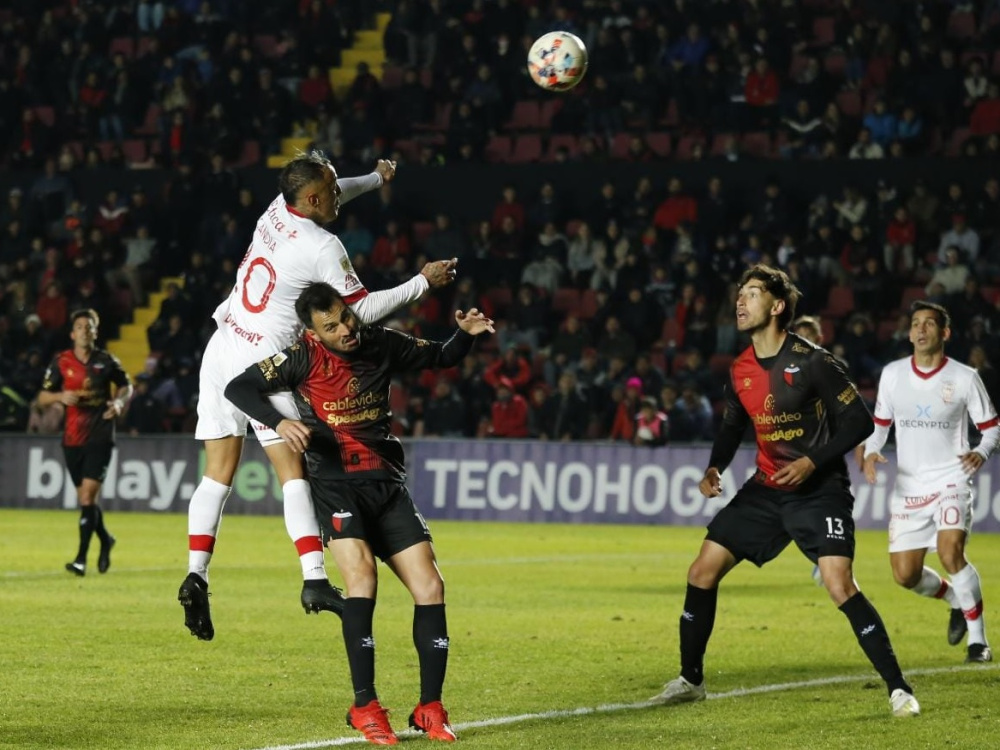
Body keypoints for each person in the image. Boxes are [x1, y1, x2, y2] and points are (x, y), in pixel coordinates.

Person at [179, 153, 457, 642]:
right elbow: (361, 311)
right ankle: (313, 579)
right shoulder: (322, 245)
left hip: (223, 341)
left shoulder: (278, 207)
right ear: (311, 199)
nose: (337, 196)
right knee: (295, 473)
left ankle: (195, 574)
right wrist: (421, 283)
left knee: (217, 473)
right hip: (262, 358)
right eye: (330, 190)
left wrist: (374, 179)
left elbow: (334, 188)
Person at [224, 282, 495, 744]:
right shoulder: (301, 357)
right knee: (362, 578)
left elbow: (441, 356)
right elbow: (239, 387)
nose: (345, 329)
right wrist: (280, 421)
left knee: (430, 585)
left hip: (387, 483)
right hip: (337, 486)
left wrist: (465, 335)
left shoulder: (380, 341)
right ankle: (365, 705)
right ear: (313, 333)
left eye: (346, 317)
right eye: (331, 326)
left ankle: (430, 707)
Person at [651, 265, 920, 718]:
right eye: (740, 293)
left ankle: (899, 689)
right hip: (766, 488)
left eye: (753, 293)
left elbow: (860, 421)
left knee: (839, 583)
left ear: (777, 306)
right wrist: (714, 466)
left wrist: (813, 461)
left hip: (819, 490)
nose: (741, 300)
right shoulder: (739, 368)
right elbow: (733, 425)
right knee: (701, 571)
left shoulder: (813, 361)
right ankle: (691, 680)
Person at [862, 302, 998, 663]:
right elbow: (880, 427)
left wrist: (981, 452)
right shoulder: (893, 374)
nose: (921, 330)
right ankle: (955, 599)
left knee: (951, 552)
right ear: (909, 334)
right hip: (909, 488)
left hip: (952, 480)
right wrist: (871, 452)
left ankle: (978, 642)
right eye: (915, 324)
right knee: (905, 575)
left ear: (945, 333)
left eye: (929, 324)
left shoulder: (965, 377)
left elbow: (991, 428)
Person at [37, 309, 133, 576]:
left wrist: (118, 402)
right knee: (85, 499)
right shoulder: (61, 362)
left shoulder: (107, 361)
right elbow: (42, 397)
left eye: (89, 327)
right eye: (80, 327)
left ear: (95, 332)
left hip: (100, 434)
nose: (84, 331)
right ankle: (106, 539)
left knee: (88, 496)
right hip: (72, 437)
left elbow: (126, 386)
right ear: (72, 333)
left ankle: (80, 559)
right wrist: (60, 397)